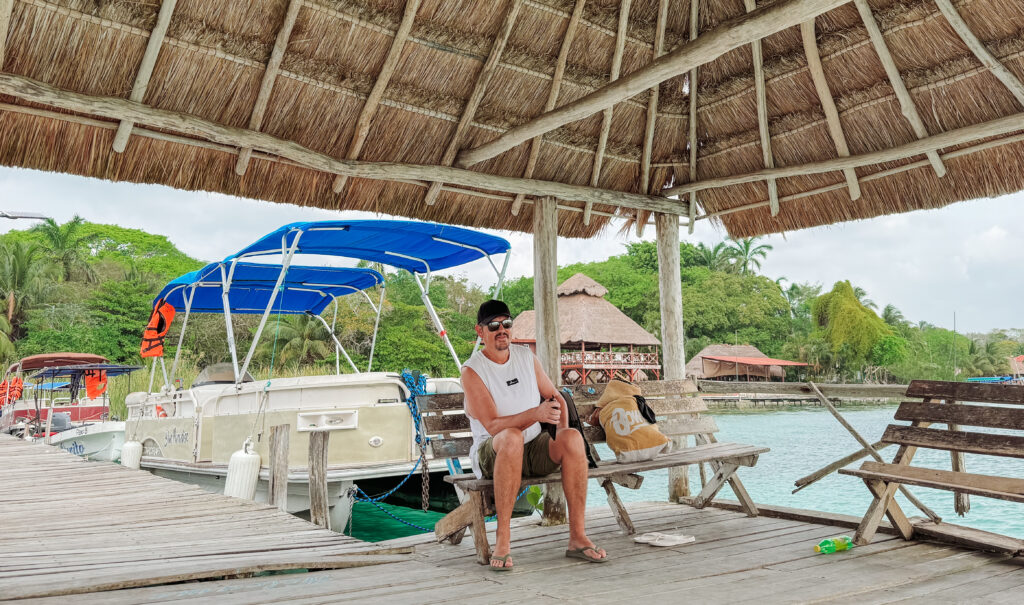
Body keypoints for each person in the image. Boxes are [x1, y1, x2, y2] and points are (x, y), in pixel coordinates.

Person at [461, 299, 608, 571]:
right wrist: (536, 415)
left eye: (506, 323)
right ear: (480, 331)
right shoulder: (472, 371)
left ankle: (577, 537)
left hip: (533, 446)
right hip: (493, 452)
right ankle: (503, 540)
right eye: (493, 325)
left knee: (573, 439)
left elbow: (556, 397)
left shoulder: (526, 356)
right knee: (511, 437)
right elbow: (493, 425)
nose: (501, 329)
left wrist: (560, 430)